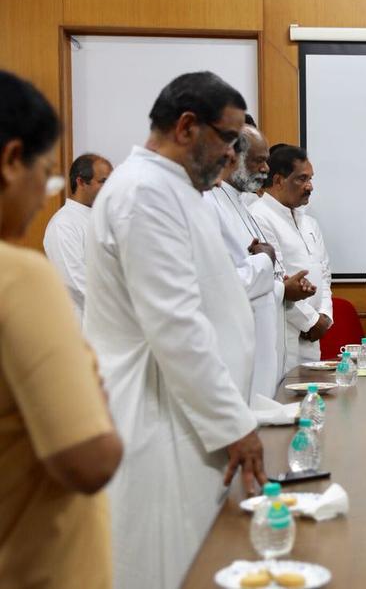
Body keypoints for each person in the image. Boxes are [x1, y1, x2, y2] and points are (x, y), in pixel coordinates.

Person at [85, 71, 265, 589]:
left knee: (197, 558)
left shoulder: (175, 188)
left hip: (188, 411)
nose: (233, 154)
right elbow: (175, 325)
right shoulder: (145, 192)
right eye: (228, 138)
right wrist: (235, 424)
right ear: (188, 127)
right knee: (169, 564)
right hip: (159, 411)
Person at [0, 71, 122, 588]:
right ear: (11, 162)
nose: (40, 193)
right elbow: (90, 461)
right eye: (45, 172)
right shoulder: (18, 275)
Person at [205, 125, 315, 402]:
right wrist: (265, 261)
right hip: (237, 347)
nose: (265, 168)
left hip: (265, 341)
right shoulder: (209, 203)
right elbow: (223, 283)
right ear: (232, 158)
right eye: (258, 160)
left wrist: (281, 286)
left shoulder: (240, 202)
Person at [251, 145, 333, 368]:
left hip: (313, 335)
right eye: (302, 179)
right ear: (278, 180)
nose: (310, 186)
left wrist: (324, 316)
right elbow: (276, 279)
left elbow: (324, 272)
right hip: (283, 333)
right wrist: (310, 322)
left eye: (311, 178)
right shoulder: (259, 216)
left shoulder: (309, 222)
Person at [42, 153, 112, 323]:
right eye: (103, 181)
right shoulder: (63, 224)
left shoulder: (103, 218)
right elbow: (76, 281)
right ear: (81, 182)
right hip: (80, 325)